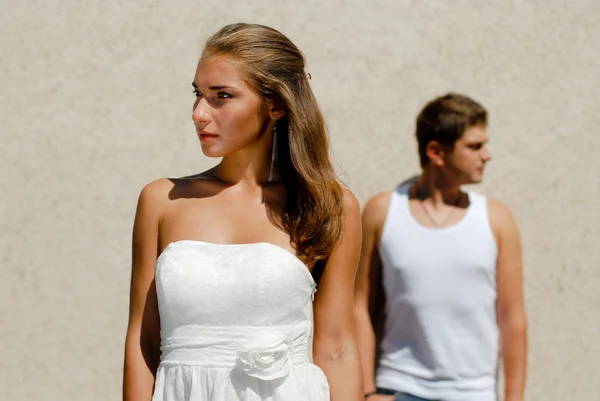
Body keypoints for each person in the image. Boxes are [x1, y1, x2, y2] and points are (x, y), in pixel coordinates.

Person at [122, 23, 363, 401]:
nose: (199, 113)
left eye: (222, 96)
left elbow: (337, 347)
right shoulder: (162, 200)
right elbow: (142, 341)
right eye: (198, 94)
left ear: (277, 105)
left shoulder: (329, 206)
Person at [354, 93, 528, 401]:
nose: (487, 155)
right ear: (436, 152)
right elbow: (360, 307)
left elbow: (512, 318)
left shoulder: (497, 219)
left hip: (473, 392)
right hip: (399, 386)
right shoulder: (383, 211)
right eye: (474, 146)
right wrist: (367, 392)